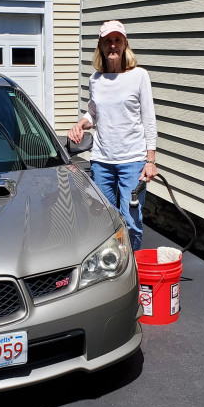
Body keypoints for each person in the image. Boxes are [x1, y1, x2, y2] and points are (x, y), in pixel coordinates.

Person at [67, 20, 157, 252]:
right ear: (101, 46)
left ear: (125, 44)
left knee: (132, 221)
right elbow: (94, 112)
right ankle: (112, 265)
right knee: (103, 220)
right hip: (102, 162)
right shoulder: (95, 79)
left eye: (117, 40)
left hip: (133, 161)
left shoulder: (139, 76)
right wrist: (81, 124)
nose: (113, 45)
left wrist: (150, 161)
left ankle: (132, 266)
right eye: (108, 41)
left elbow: (149, 119)